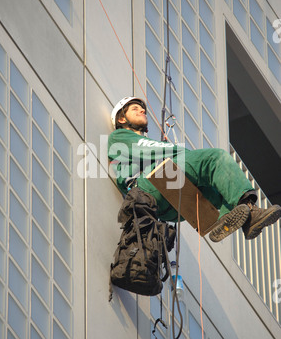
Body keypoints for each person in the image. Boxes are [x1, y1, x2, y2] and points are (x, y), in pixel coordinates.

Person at [108, 97, 281, 242]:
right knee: (215, 159)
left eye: (142, 109)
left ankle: (244, 216)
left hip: (167, 208)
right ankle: (248, 213)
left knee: (218, 189)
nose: (142, 111)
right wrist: (183, 153)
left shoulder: (140, 142)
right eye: (135, 109)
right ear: (122, 119)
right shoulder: (119, 136)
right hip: (146, 188)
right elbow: (152, 148)